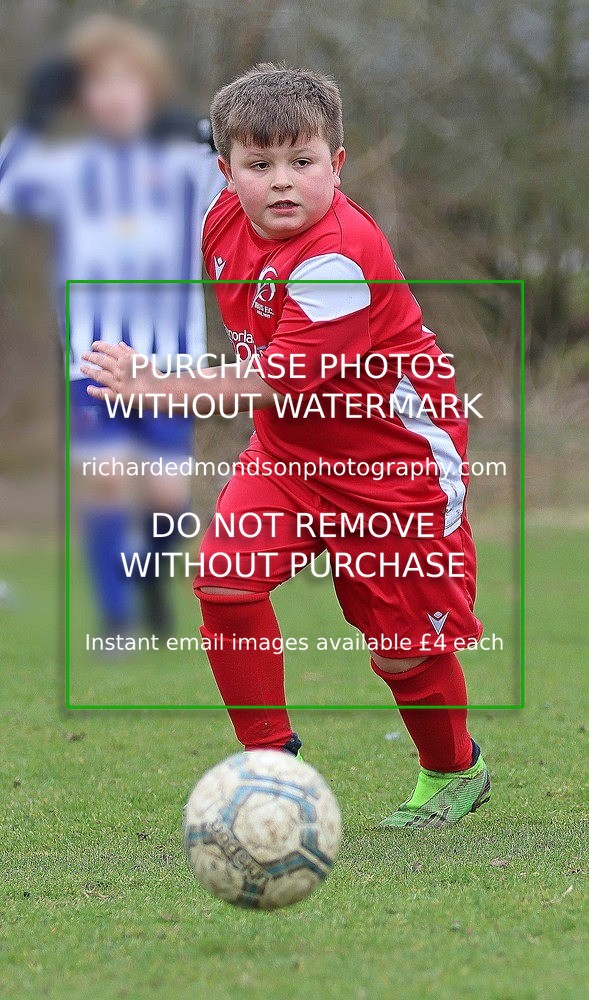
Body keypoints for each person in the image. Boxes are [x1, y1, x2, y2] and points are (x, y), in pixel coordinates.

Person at [81, 63, 491, 829]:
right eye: (258, 164)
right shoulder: (220, 219)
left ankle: (452, 770)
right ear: (225, 171)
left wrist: (154, 384)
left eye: (301, 162)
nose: (280, 182)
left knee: (401, 650)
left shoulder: (339, 257)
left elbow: (279, 379)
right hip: (287, 456)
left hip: (391, 467)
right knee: (225, 583)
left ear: (336, 164)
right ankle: (271, 771)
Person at [0, 15, 225, 637]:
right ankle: (117, 620)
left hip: (171, 365)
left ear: (150, 88)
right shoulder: (68, 169)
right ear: (83, 98)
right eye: (100, 83)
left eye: (128, 80)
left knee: (167, 501)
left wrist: (210, 131)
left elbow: (246, 168)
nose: (116, 94)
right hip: (91, 362)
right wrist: (34, 118)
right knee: (103, 486)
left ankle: (149, 583)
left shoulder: (189, 164)